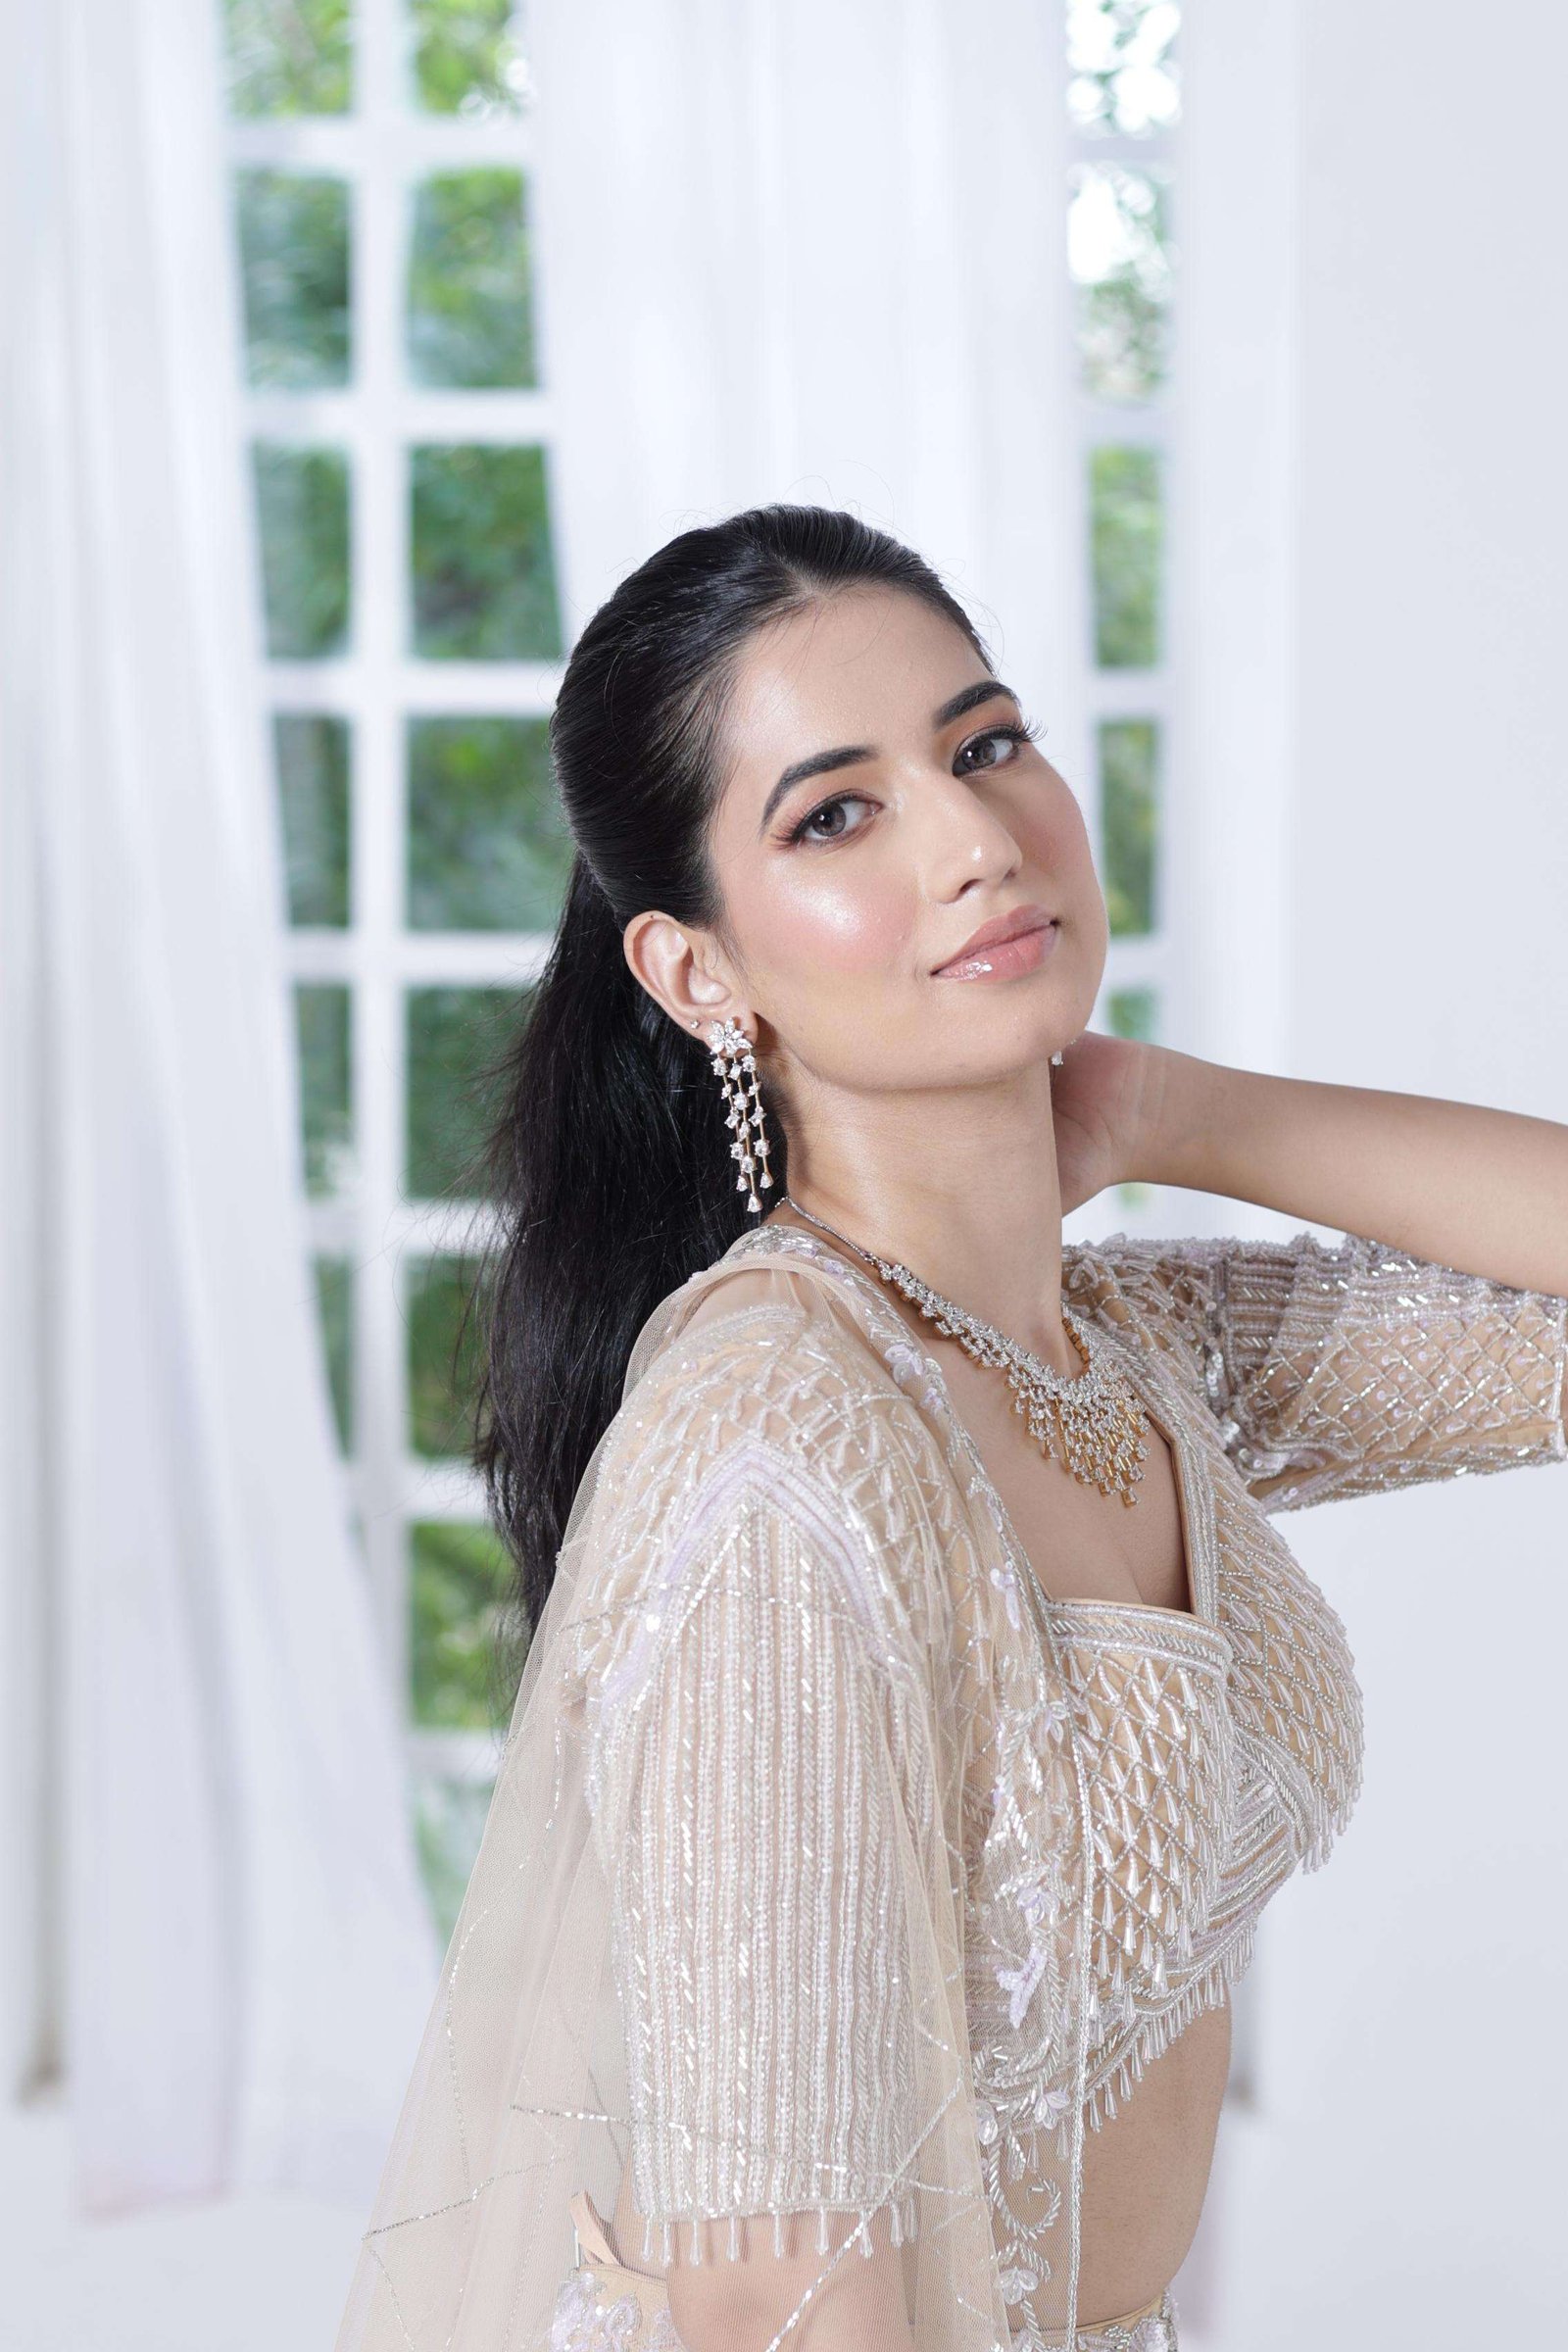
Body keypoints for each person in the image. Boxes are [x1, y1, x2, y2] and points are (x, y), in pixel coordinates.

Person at [333, 506, 1568, 2352]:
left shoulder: (1130, 1349)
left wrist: (1173, 1110)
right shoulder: (776, 1444)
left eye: (985, 746)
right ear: (696, 972)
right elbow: (778, 2295)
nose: (978, 841)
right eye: (836, 815)